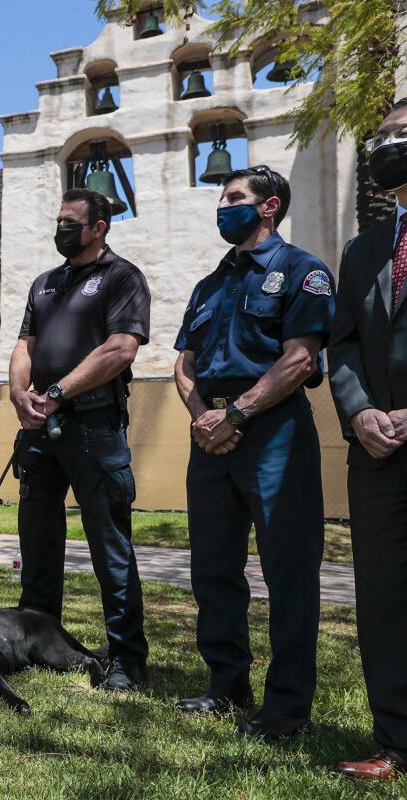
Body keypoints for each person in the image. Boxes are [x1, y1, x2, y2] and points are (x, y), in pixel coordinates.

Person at [172, 165, 332, 741]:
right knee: (214, 568)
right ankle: (226, 685)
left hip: (273, 433)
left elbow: (299, 360)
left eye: (234, 198)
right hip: (209, 433)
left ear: (269, 207)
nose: (222, 207)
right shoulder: (210, 284)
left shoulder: (302, 271)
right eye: (221, 198)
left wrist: (235, 415)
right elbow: (183, 363)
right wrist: (203, 420)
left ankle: (286, 709)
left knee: (289, 572)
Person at [5, 189, 151, 691]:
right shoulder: (45, 284)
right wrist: (19, 393)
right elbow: (25, 345)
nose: (61, 228)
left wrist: (58, 392)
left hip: (93, 427)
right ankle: (37, 643)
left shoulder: (121, 277)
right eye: (59, 220)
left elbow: (121, 348)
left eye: (72, 221)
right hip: (40, 430)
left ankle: (127, 659)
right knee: (37, 542)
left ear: (99, 227)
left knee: (110, 547)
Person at [328, 98, 407, 781]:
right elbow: (344, 342)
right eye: (383, 136)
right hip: (378, 450)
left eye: (401, 134)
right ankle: (395, 743)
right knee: (383, 595)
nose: (388, 145)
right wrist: (358, 412)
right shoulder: (365, 248)